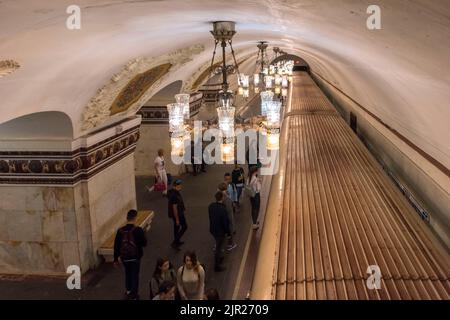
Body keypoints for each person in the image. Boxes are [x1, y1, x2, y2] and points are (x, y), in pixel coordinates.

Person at [113, 209, 148, 300]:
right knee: (135, 276)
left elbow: (116, 246)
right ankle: (134, 295)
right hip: (135, 257)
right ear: (135, 218)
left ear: (127, 218)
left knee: (127, 273)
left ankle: (128, 290)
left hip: (124, 258)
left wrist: (115, 259)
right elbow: (144, 243)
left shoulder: (120, 231)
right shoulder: (138, 230)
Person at [208, 191, 230, 272]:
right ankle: (217, 266)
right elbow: (225, 222)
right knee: (218, 247)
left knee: (218, 244)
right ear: (222, 198)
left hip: (213, 229)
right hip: (220, 232)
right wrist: (228, 232)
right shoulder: (223, 209)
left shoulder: (211, 206)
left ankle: (219, 257)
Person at [168, 179, 187, 250]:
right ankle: (175, 242)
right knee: (184, 227)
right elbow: (174, 208)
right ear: (176, 186)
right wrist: (177, 219)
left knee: (176, 228)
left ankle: (177, 241)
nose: (181, 186)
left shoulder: (173, 192)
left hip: (178, 213)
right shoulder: (174, 195)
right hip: (178, 214)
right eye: (180, 185)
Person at [218, 182, 237, 251]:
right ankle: (230, 243)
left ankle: (231, 244)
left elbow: (227, 209)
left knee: (230, 229)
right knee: (229, 229)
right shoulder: (226, 195)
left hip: (228, 216)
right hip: (228, 216)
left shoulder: (224, 197)